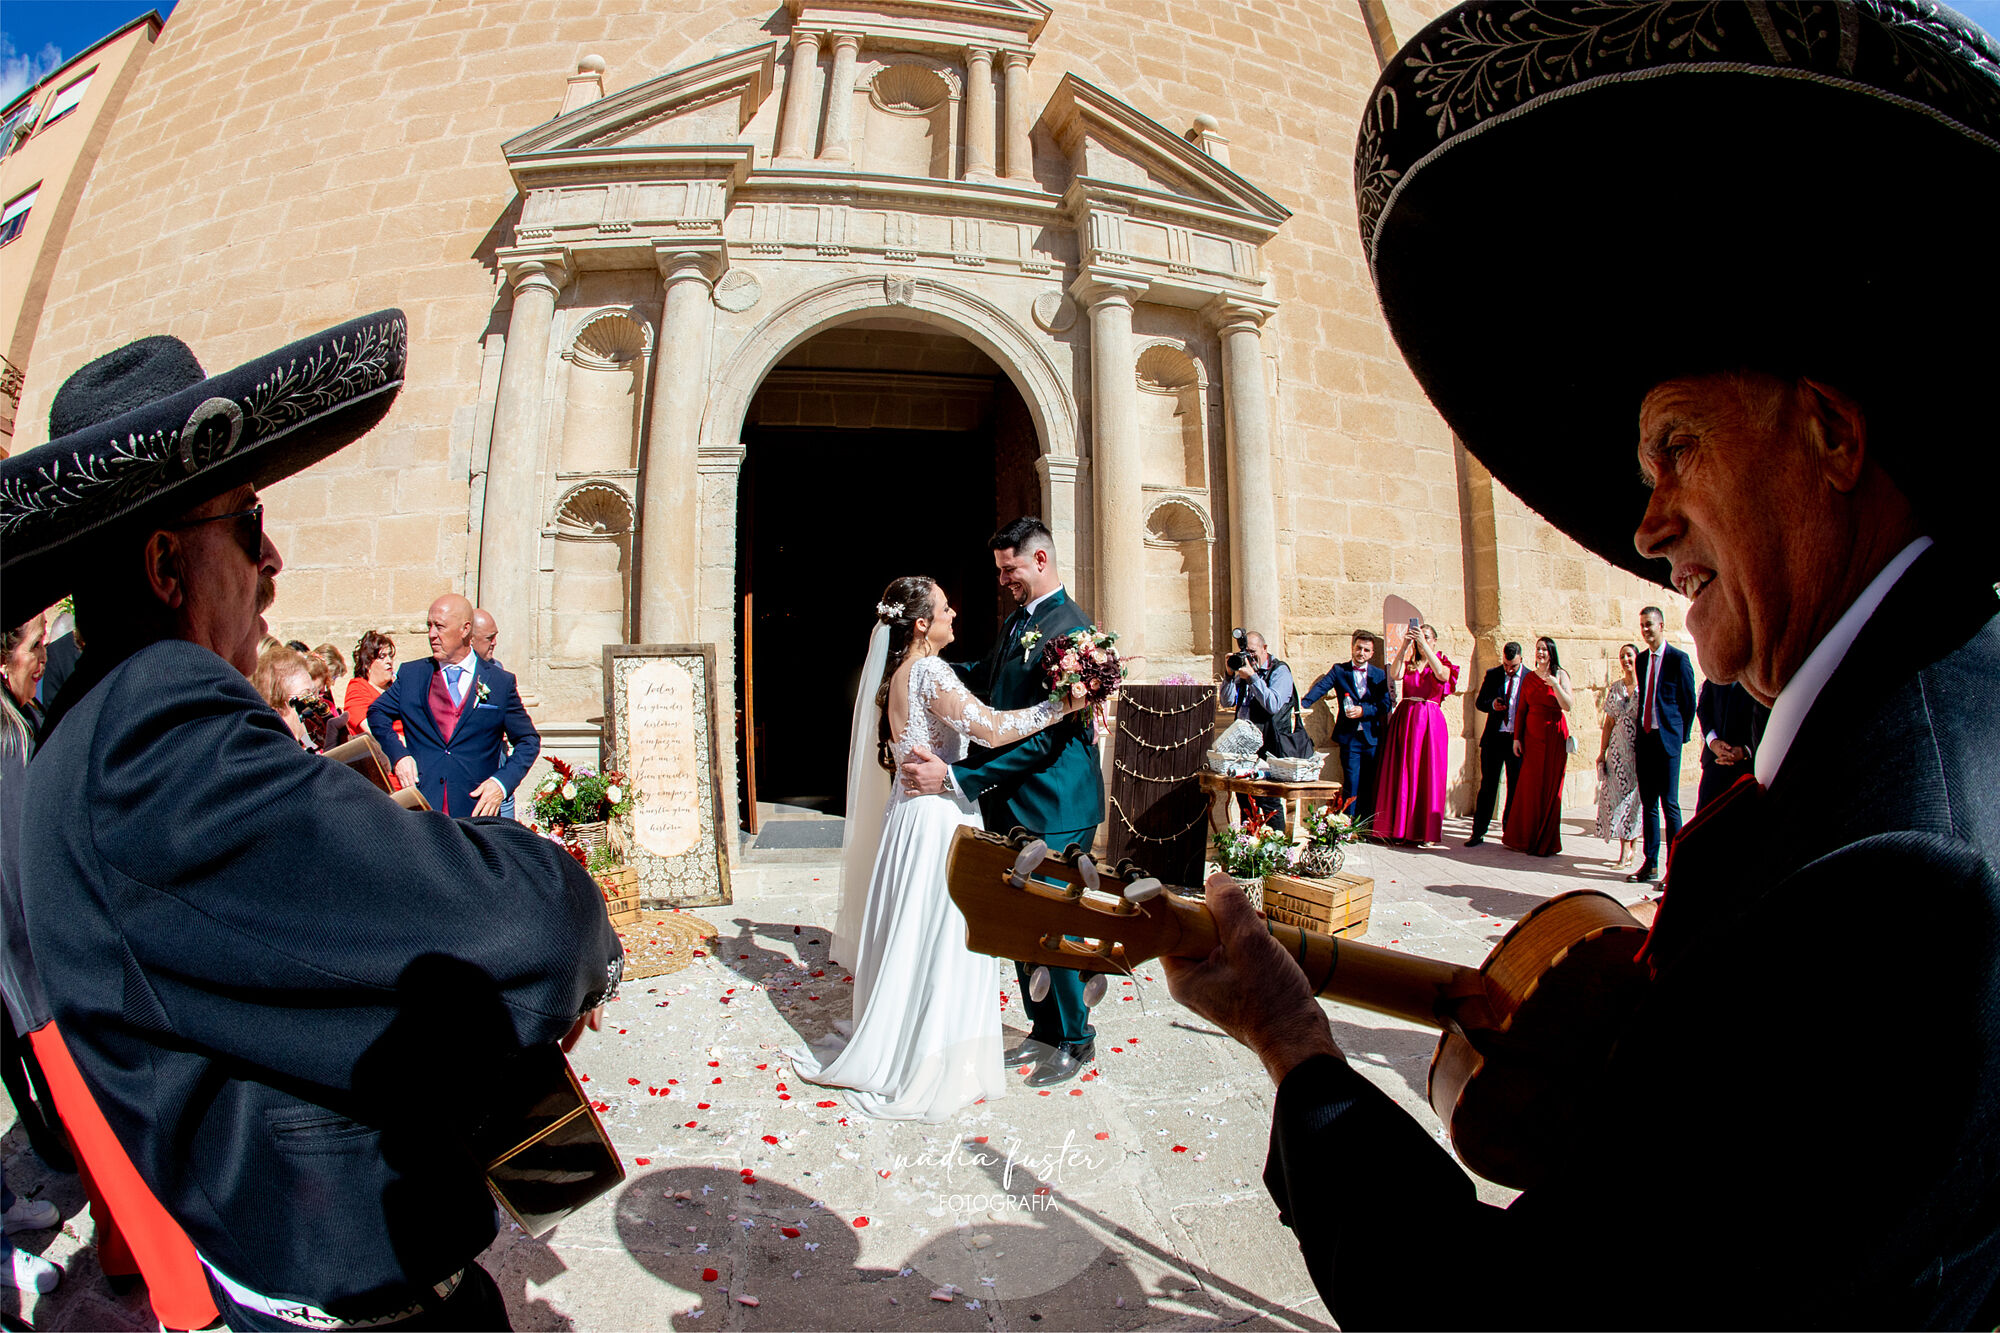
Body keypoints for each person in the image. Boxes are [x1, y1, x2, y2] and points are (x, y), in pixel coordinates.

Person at [1164, 4, 2000, 1323]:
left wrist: (1293, 1043)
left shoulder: (1905, 876)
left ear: (1832, 435)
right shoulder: (1920, 731)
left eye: (1675, 448)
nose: (1647, 520)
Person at [2, 310, 621, 1329]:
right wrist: (557, 904)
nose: (272, 555)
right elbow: (526, 926)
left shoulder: (88, 728)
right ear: (166, 566)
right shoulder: (153, 717)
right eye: (246, 523)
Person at [794, 578, 1082, 1120]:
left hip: (907, 819)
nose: (956, 614)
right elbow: (993, 730)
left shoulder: (898, 675)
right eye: (946, 607)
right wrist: (1061, 705)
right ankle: (935, 1055)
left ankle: (908, 1038)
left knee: (916, 931)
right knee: (944, 934)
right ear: (922, 623)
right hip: (938, 820)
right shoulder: (927, 671)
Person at [898, 517, 1105, 1088]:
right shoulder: (1022, 621)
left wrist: (962, 776)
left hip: (1056, 803)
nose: (1002, 581)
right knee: (1020, 923)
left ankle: (1076, 1038)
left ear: (1040, 561)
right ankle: (1044, 1027)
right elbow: (989, 679)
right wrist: (923, 670)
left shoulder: (1071, 631)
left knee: (1053, 924)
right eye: (999, 571)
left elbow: (1047, 739)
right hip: (1017, 804)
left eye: (1009, 569)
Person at [368, 593, 541, 818]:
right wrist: (399, 756)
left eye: (439, 626)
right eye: (429, 626)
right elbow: (377, 711)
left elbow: (528, 741)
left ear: (465, 629)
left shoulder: (499, 682)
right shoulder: (413, 675)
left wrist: (501, 784)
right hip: (423, 811)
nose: (432, 635)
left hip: (476, 813)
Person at [1370, 622, 1458, 845]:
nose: (1422, 641)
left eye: (1427, 637)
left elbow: (1442, 675)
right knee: (1403, 773)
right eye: (1421, 637)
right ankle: (1399, 829)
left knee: (1427, 774)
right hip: (1407, 719)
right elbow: (1395, 672)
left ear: (1434, 641)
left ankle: (1424, 831)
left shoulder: (1443, 662)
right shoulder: (1409, 663)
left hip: (1430, 722)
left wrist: (1424, 646)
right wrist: (1406, 644)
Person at [1629, 604, 1695, 883]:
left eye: (1649, 625)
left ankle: (1676, 867)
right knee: (1649, 804)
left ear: (1661, 626)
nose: (1645, 630)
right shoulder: (1642, 661)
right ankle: (1651, 863)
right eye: (1642, 625)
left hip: (1668, 740)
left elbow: (1689, 701)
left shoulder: (1678, 659)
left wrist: (1681, 735)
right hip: (1646, 739)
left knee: (1670, 803)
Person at [1220, 630, 1311, 830]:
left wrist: (1253, 678)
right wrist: (1229, 675)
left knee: (1268, 801)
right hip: (1244, 747)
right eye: (1245, 652)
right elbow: (1226, 701)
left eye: (1253, 651)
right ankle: (1248, 847)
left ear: (1265, 648)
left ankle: (1276, 850)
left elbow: (1273, 704)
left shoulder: (1279, 671)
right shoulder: (1244, 671)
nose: (1249, 656)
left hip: (1270, 745)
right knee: (1244, 797)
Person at [1301, 631, 1388, 822]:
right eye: (1358, 648)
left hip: (1371, 736)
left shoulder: (1380, 675)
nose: (1361, 653)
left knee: (1370, 781)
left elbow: (1386, 704)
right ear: (1352, 648)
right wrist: (1303, 704)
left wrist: (1363, 711)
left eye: (1366, 650)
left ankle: (1367, 824)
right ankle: (1348, 824)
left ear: (1372, 653)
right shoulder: (1340, 671)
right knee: (1351, 781)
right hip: (1350, 737)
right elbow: (1322, 687)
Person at [1500, 635, 1572, 857]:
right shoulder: (1529, 677)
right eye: (1538, 649)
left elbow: (1568, 705)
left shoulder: (1560, 674)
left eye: (1544, 649)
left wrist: (1556, 685)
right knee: (1529, 788)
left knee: (1550, 787)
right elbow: (1521, 708)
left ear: (1551, 652)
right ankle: (1524, 838)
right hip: (1531, 738)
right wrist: (1517, 738)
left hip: (1553, 736)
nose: (1540, 653)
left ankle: (1546, 840)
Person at [1464, 641, 1525, 847]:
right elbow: (1480, 702)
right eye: (1506, 665)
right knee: (1488, 786)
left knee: (1515, 787)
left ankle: (1510, 833)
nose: (1509, 670)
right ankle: (1478, 832)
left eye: (1513, 666)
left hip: (1516, 741)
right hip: (1494, 739)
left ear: (1521, 660)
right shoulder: (1493, 674)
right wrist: (1492, 704)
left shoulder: (1529, 678)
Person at [1594, 642, 1641, 868]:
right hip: (1617, 754)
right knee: (1619, 800)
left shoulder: (1645, 688)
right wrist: (1602, 752)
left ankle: (1632, 847)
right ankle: (1624, 849)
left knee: (1636, 801)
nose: (1625, 660)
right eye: (1622, 656)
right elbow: (1609, 722)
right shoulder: (1615, 688)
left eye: (1629, 655)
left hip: (1638, 752)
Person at [468, 608, 517, 819]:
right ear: (471, 639)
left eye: (495, 636)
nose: (495, 643)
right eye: (489, 638)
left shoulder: (498, 669)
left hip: (499, 765)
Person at [1695, 679, 1764, 812]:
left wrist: (1746, 750)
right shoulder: (1716, 675)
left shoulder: (1757, 677)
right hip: (1714, 761)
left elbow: (1765, 718)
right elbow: (1703, 708)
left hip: (1746, 768)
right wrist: (1713, 742)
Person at [345, 629, 397, 737]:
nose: (389, 661)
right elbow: (376, 731)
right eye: (382, 657)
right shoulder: (357, 688)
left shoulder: (396, 687)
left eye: (390, 656)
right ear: (367, 663)